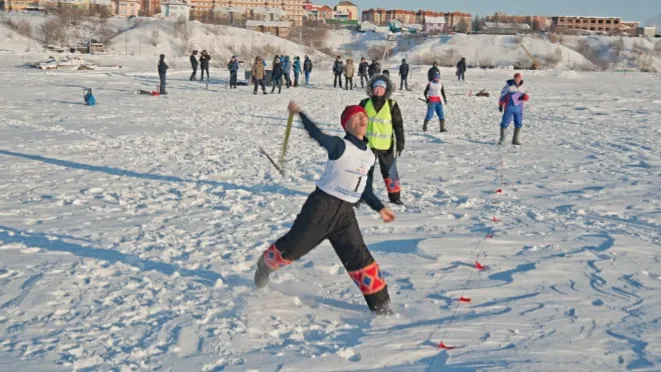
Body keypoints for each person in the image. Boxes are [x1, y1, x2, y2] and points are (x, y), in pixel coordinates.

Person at [253, 100, 396, 316]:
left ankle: (381, 305)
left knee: (359, 255)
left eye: (364, 116)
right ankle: (265, 264)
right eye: (357, 117)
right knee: (295, 245)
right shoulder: (340, 146)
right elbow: (318, 135)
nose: (363, 118)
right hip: (322, 207)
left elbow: (364, 188)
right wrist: (301, 114)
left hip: (346, 214)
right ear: (347, 124)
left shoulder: (369, 155)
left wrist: (380, 208)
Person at [359, 74, 405, 205]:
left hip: (386, 147)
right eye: (376, 87)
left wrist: (401, 142)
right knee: (365, 173)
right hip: (367, 146)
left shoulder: (392, 104)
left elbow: (398, 125)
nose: (378, 90)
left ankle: (395, 198)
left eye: (381, 88)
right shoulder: (364, 103)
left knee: (390, 172)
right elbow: (355, 122)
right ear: (371, 89)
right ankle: (363, 196)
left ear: (386, 90)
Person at [498, 73, 529, 145]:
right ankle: (502, 138)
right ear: (514, 78)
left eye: (518, 78)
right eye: (516, 78)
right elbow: (502, 95)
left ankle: (515, 139)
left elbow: (527, 97)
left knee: (518, 123)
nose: (517, 80)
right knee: (505, 122)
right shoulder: (508, 86)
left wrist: (524, 97)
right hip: (509, 107)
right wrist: (501, 104)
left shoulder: (523, 87)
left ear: (521, 79)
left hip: (519, 108)